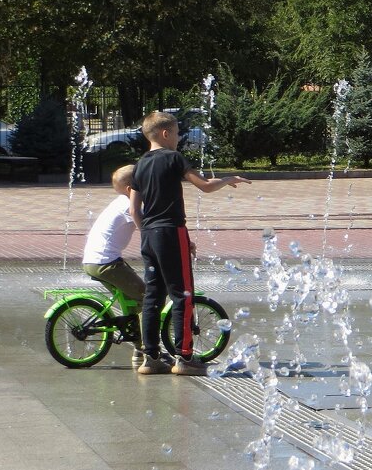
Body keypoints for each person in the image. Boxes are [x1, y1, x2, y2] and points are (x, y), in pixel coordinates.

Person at [131, 110, 249, 376]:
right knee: (183, 295)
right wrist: (229, 179)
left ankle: (150, 358)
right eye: (177, 133)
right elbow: (205, 186)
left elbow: (133, 211)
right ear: (165, 133)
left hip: (149, 236)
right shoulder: (173, 158)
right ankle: (184, 358)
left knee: (153, 297)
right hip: (171, 232)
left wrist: (149, 233)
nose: (179, 138)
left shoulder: (140, 164)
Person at [82, 163, 145, 367]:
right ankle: (149, 348)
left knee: (130, 301)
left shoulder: (120, 200)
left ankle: (138, 350)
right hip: (106, 263)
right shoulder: (129, 205)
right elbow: (148, 227)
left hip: (94, 260)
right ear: (131, 188)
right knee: (148, 296)